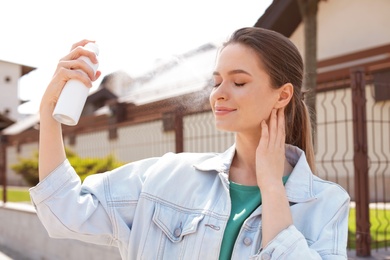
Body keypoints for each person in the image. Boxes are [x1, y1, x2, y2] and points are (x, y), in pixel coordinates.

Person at [30, 27, 350, 259]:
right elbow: (64, 211)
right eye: (216, 81)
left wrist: (272, 189)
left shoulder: (325, 204)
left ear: (283, 95)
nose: (219, 93)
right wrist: (49, 114)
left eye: (238, 81)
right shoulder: (168, 176)